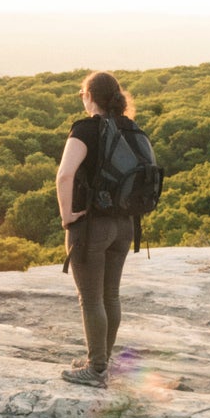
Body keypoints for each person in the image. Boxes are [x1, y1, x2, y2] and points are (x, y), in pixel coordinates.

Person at [56, 70, 142, 386]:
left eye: (82, 93)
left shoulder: (86, 130)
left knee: (90, 298)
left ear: (89, 96)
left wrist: (67, 216)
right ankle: (102, 359)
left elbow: (65, 175)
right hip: (125, 225)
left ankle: (96, 369)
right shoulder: (132, 128)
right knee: (110, 295)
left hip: (92, 225)